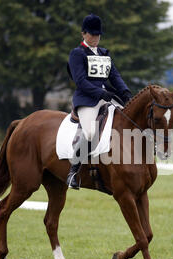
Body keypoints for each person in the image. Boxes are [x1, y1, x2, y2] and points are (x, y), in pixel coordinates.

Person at [66, 13, 132, 190]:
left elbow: (115, 76)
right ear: (83, 34)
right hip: (87, 100)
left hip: (106, 98)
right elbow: (80, 81)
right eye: (92, 34)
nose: (95, 38)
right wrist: (100, 93)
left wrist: (125, 92)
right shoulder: (77, 53)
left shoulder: (104, 53)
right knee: (89, 133)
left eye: (98, 35)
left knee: (127, 120)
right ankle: (73, 171)